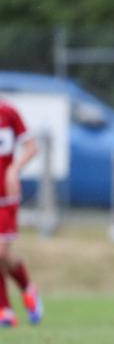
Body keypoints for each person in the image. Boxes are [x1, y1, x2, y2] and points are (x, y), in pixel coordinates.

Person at [0, 99, 42, 327]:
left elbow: (32, 147)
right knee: (3, 256)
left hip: (5, 197)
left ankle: (7, 307)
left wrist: (14, 169)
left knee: (1, 251)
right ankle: (23, 293)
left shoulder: (8, 112)